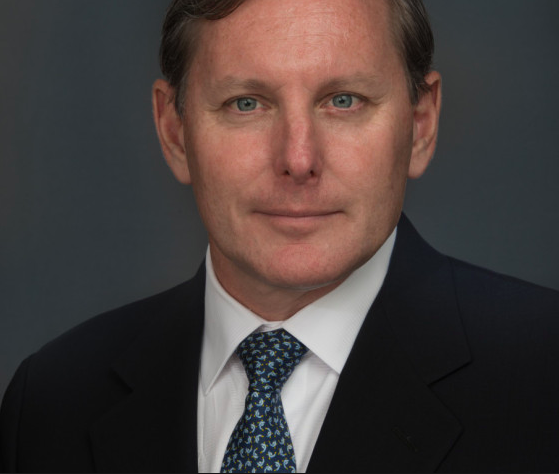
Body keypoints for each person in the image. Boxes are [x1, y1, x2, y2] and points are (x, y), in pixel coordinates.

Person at [1, 0, 558, 472]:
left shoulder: (542, 376)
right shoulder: (52, 402)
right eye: (246, 103)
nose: (298, 159)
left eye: (344, 100)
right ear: (174, 132)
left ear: (420, 125)